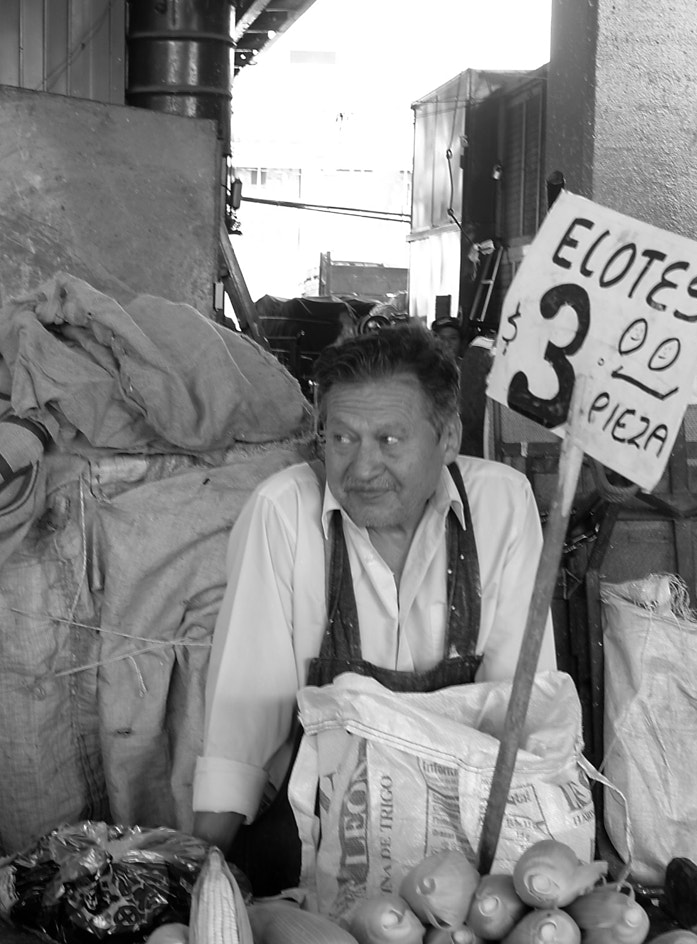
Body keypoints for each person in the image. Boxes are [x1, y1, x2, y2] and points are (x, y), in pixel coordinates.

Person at [189, 323, 558, 892]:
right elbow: (243, 720)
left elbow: (518, 705)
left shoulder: (502, 506)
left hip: (470, 825)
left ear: (450, 438)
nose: (361, 469)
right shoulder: (284, 512)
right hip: (320, 833)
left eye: (389, 440)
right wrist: (197, 872)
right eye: (342, 439)